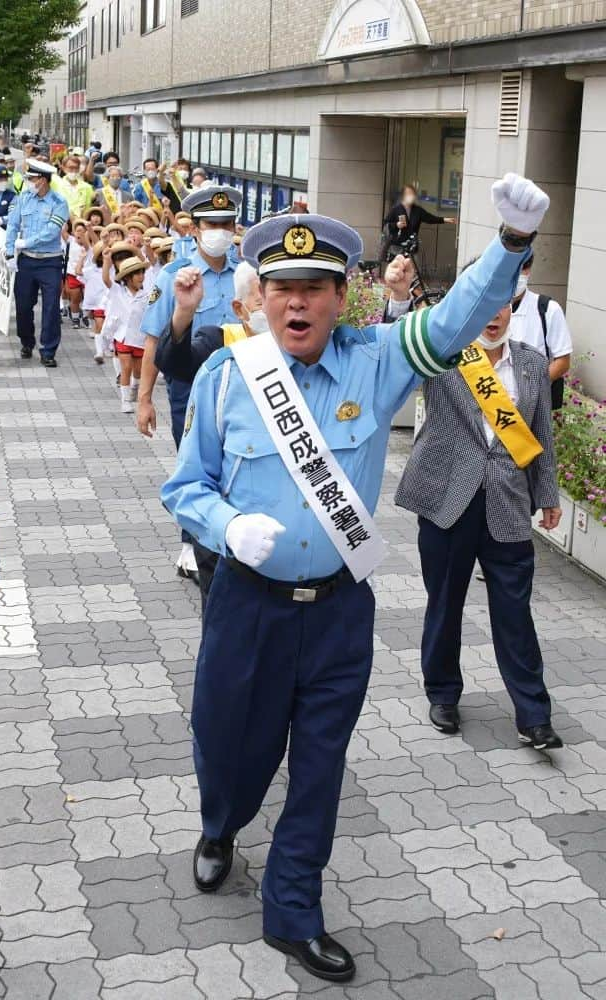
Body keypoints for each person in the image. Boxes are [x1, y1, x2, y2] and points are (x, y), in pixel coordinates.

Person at [159, 173, 549, 984]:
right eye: (283, 289)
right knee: (231, 743)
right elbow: (185, 488)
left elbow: (452, 323)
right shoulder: (233, 379)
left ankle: (293, 909)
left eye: (316, 289)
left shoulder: (377, 361)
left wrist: (508, 247)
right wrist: (228, 525)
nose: (297, 304)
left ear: (344, 297)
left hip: (339, 612)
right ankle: (220, 822)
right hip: (245, 607)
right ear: (261, 298)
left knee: (322, 762)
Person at [396, 276, 562, 749]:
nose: (494, 315)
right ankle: (443, 693)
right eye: (485, 303)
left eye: (503, 305)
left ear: (513, 307)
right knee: (445, 604)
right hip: (448, 500)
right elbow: (393, 347)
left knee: (515, 612)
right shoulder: (443, 353)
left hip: (508, 503)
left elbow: (542, 437)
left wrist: (547, 494)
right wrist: (397, 297)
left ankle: (534, 715)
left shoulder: (530, 363)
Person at [139, 185, 242, 582]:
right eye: (210, 224)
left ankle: (223, 538)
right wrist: (144, 399)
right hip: (190, 388)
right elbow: (153, 339)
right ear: (194, 229)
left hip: (239, 386)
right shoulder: (174, 276)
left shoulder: (249, 275)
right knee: (195, 463)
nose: (219, 231)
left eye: (226, 224)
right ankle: (190, 542)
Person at [4, 158, 70, 368]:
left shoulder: (59, 203)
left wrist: (26, 242)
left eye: (32, 178)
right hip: (26, 261)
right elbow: (13, 225)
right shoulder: (23, 198)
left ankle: (48, 350)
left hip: (50, 261)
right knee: (23, 305)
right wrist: (9, 252)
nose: (29, 182)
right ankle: (26, 341)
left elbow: (52, 232)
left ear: (43, 180)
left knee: (50, 307)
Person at [508, 256, 572, 409]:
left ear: (528, 269)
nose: (516, 275)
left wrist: (530, 390)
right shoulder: (483, 310)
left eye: (522, 268)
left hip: (534, 405)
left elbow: (562, 361)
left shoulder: (548, 309)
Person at [103, 254, 151, 413]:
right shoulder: (118, 291)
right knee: (126, 367)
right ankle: (125, 401)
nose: (141, 277)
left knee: (138, 370)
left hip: (139, 337)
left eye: (142, 273)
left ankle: (134, 388)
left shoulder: (147, 294)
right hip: (122, 335)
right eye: (137, 274)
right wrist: (106, 261)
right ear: (128, 277)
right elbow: (106, 280)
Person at [379, 183, 456, 261]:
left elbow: (430, 218)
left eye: (412, 194)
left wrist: (444, 219)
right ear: (403, 195)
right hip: (396, 248)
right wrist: (396, 225)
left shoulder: (417, 210)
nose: (411, 196)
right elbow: (385, 224)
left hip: (411, 247)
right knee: (398, 270)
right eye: (408, 193)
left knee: (412, 269)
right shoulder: (396, 209)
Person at [54, 153, 94, 218]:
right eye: (71, 168)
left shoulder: (87, 187)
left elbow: (89, 207)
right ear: (63, 168)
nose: (74, 171)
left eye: (76, 168)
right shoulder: (57, 185)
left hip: (82, 223)